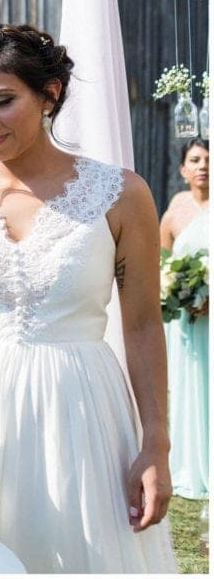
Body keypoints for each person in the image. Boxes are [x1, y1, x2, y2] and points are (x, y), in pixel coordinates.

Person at [0, 24, 176, 573]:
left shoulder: (122, 194)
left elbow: (142, 326)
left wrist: (156, 443)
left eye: (0, 101)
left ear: (50, 95)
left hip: (82, 409)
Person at [158, 137, 209, 500]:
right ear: (183, 169)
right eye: (195, 159)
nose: (203, 166)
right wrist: (174, 290)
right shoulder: (175, 209)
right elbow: (162, 262)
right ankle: (192, 462)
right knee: (190, 385)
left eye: (209, 159)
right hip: (188, 320)